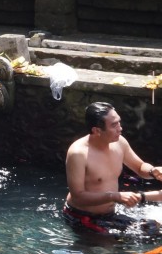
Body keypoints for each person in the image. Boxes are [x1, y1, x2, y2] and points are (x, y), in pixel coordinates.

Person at [63, 102, 162, 237]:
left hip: (109, 214)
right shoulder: (78, 153)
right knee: (111, 252)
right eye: (114, 125)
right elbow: (78, 197)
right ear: (96, 130)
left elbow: (139, 167)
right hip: (82, 216)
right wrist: (115, 196)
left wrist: (153, 171)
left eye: (119, 123)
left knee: (152, 231)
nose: (120, 129)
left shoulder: (119, 142)